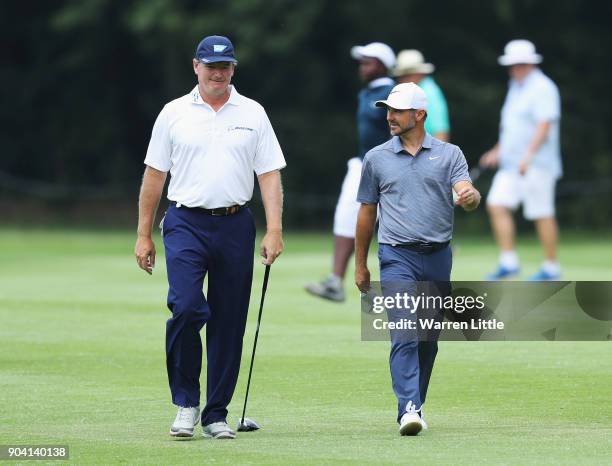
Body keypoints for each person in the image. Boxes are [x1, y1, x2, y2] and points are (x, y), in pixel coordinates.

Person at [134, 35, 286, 440]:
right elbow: (155, 174)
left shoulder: (253, 113)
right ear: (195, 66)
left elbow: (268, 173)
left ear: (233, 69)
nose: (218, 72)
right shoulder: (174, 113)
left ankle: (216, 413)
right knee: (186, 308)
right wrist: (143, 234)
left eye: (225, 66)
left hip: (236, 224)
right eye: (210, 65)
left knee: (229, 320)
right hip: (185, 221)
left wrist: (274, 228)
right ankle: (186, 403)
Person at [354, 82, 480, 435]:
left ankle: (416, 404)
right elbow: (366, 213)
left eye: (397, 112)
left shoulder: (450, 154)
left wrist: (470, 197)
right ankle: (407, 408)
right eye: (388, 111)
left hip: (438, 257)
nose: (390, 118)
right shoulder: (376, 158)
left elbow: (467, 195)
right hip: (396, 256)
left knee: (427, 338)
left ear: (419, 115)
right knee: (405, 331)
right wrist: (360, 263)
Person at [305, 42, 396, 302]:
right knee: (345, 217)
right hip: (361, 164)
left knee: (396, 225)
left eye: (368, 62)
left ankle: (410, 285)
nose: (362, 67)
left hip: (387, 167)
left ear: (381, 65)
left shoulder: (392, 94)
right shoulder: (365, 93)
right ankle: (335, 282)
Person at [480, 40, 562, 280]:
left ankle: (551, 266)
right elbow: (512, 127)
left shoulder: (543, 87)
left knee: (541, 213)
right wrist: (497, 150)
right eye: (512, 65)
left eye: (519, 64)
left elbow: (544, 125)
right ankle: (509, 262)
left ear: (529, 64)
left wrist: (529, 156)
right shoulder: (515, 86)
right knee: (496, 204)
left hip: (537, 164)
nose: (514, 69)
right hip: (511, 164)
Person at [393, 49, 450, 142]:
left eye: (406, 75)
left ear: (418, 73)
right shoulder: (415, 92)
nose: (401, 80)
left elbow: (440, 130)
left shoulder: (429, 93)